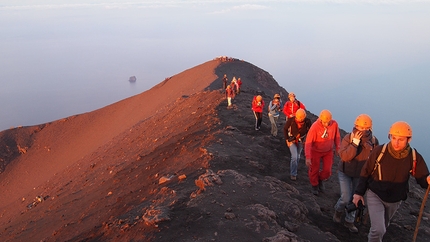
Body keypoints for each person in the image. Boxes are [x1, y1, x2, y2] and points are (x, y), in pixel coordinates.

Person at [352, 121, 430, 242]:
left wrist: (427, 180)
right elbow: (366, 171)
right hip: (375, 194)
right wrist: (358, 193)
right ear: (390, 136)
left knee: (383, 226)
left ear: (408, 140)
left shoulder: (413, 157)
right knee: (378, 229)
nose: (396, 142)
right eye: (393, 138)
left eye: (401, 139)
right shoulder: (379, 152)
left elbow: (422, 178)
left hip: (395, 200)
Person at [333, 114, 379, 233]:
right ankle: (338, 211)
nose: (363, 130)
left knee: (356, 199)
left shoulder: (373, 141)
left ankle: (349, 221)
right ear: (355, 126)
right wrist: (354, 144)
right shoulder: (348, 138)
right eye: (360, 127)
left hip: (361, 175)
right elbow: (345, 156)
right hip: (345, 172)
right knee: (345, 197)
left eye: (365, 128)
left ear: (370, 128)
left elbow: (375, 159)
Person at [305, 109, 340, 195]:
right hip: (316, 151)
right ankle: (315, 185)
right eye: (324, 122)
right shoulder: (315, 127)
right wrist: (308, 157)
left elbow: (337, 136)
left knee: (327, 171)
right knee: (314, 169)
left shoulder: (334, 124)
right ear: (320, 119)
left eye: (328, 122)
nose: (326, 124)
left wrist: (338, 148)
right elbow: (308, 142)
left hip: (328, 151)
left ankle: (320, 179)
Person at [283, 108, 311, 181]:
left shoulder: (307, 121)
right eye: (299, 118)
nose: (300, 119)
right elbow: (285, 129)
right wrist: (287, 140)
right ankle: (293, 174)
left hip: (301, 141)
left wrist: (306, 140)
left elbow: (310, 132)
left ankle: (294, 167)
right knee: (294, 157)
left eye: (302, 118)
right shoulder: (291, 120)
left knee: (298, 157)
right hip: (292, 140)